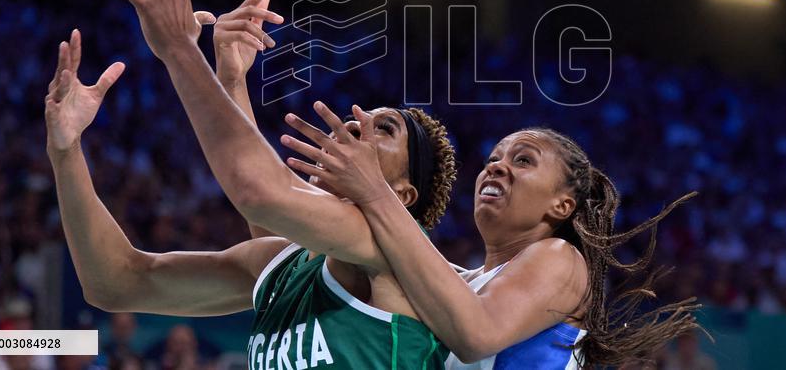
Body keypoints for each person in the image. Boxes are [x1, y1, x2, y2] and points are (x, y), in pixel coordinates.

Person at [47, 0, 456, 368]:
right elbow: (117, 283)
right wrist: (66, 149)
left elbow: (258, 190)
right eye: (358, 119)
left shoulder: (392, 252)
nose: (356, 123)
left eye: (385, 129)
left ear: (404, 194)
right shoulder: (280, 266)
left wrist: (179, 48)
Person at [285, 110, 701, 368]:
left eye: (523, 160)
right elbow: (280, 255)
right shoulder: (459, 283)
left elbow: (477, 335)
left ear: (561, 205)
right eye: (493, 159)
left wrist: (376, 191)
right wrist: (235, 79)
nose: (497, 168)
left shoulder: (560, 259)